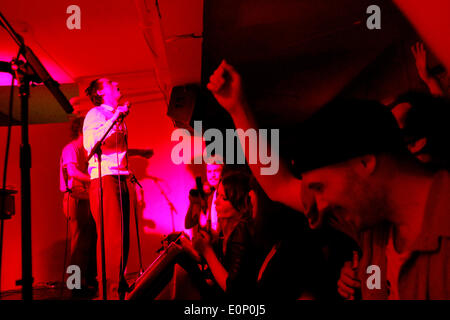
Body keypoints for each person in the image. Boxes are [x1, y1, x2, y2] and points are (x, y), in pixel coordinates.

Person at [207, 61, 450, 299]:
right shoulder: (372, 224)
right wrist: (237, 109)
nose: (318, 206)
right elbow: (278, 185)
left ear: (365, 162)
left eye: (320, 187)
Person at [83, 78, 153, 300]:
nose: (116, 83)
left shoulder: (114, 116)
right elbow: (92, 143)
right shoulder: (96, 113)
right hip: (104, 180)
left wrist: (138, 153)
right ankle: (111, 294)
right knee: (113, 240)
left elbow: (114, 147)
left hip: (119, 178)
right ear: (102, 92)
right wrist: (116, 117)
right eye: (110, 83)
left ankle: (117, 289)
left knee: (122, 240)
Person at [192, 171, 258, 298]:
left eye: (224, 198)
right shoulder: (230, 230)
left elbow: (234, 290)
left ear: (239, 203)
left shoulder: (241, 231)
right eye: (218, 196)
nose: (216, 202)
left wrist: (207, 251)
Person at [60, 117, 97, 297]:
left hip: (84, 198)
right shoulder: (71, 149)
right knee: (77, 245)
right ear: (82, 130)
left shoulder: (84, 150)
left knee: (85, 244)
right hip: (74, 198)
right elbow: (73, 172)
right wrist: (95, 180)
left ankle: (81, 282)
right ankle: (73, 285)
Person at [185, 154, 224, 236]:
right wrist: (192, 203)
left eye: (216, 171)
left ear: (223, 171)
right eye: (209, 171)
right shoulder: (210, 197)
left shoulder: (226, 194)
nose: (212, 175)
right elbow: (188, 224)